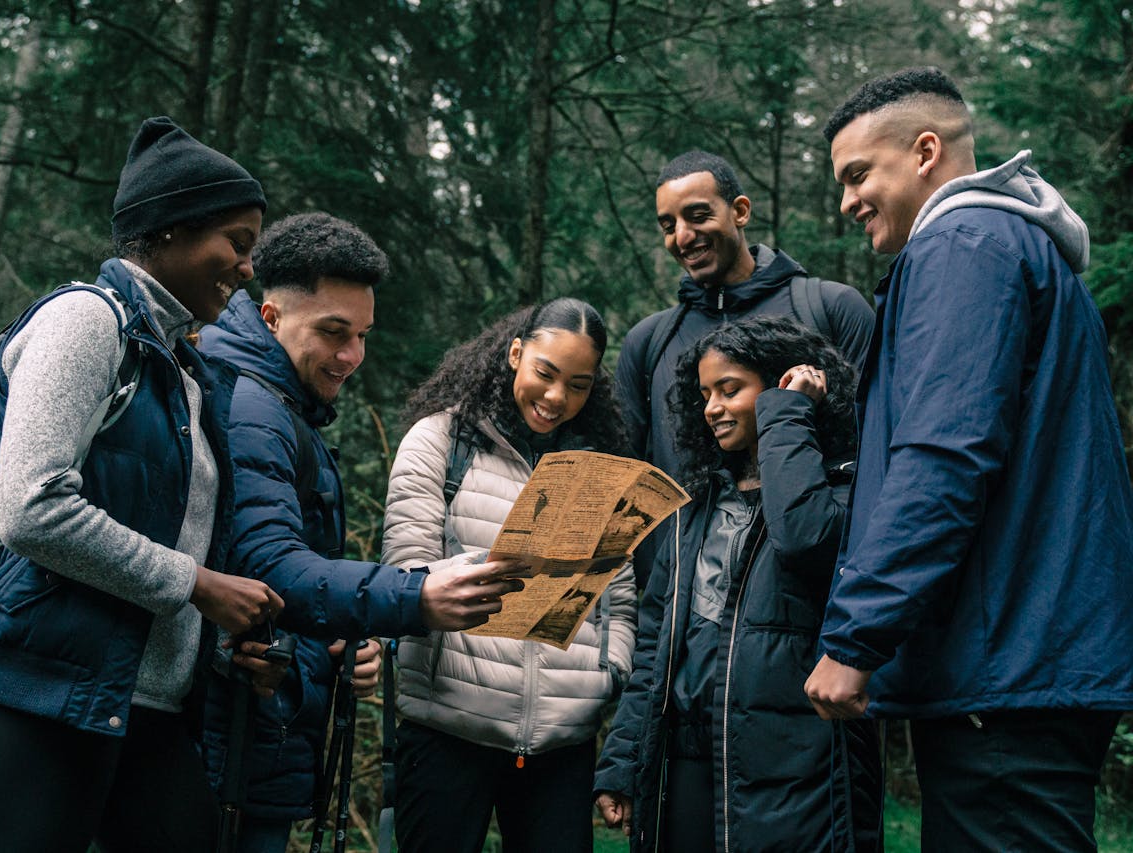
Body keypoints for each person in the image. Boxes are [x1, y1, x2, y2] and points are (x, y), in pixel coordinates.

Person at [805, 66, 1133, 851]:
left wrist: (855, 638)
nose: (847, 201)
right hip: (1022, 665)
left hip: (1009, 671)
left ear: (924, 152)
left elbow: (943, 458)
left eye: (858, 175)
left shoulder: (963, 247)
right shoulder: (1010, 248)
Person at [0, 116, 286, 853]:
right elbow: (30, 507)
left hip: (147, 708)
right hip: (39, 691)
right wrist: (197, 585)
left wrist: (223, 640)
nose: (246, 266)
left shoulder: (186, 370)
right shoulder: (85, 323)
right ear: (169, 229)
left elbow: (175, 528)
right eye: (237, 241)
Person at [196, 212, 524, 850]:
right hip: (224, 740)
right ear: (270, 318)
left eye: (363, 334)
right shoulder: (254, 407)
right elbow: (267, 564)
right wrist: (416, 596)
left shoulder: (281, 401)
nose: (352, 356)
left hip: (253, 733)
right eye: (333, 332)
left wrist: (333, 640)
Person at [595, 315, 881, 852]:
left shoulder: (844, 488)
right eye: (705, 394)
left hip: (794, 767)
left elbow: (802, 537)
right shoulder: (691, 511)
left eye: (731, 390)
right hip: (685, 766)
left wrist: (789, 414)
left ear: (778, 388)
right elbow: (656, 646)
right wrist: (623, 762)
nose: (712, 408)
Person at [380, 298, 637, 853]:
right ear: (515, 354)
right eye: (545, 374)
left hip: (562, 741)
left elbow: (619, 594)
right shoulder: (440, 440)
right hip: (447, 729)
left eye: (578, 384)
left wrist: (608, 671)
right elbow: (404, 575)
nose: (556, 398)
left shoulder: (595, 466)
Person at [615, 150, 874, 586]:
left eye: (698, 216)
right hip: (682, 607)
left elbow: (879, 453)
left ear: (740, 211)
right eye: (668, 225)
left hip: (808, 593)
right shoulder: (649, 342)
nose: (683, 236)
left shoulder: (829, 309)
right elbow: (621, 479)